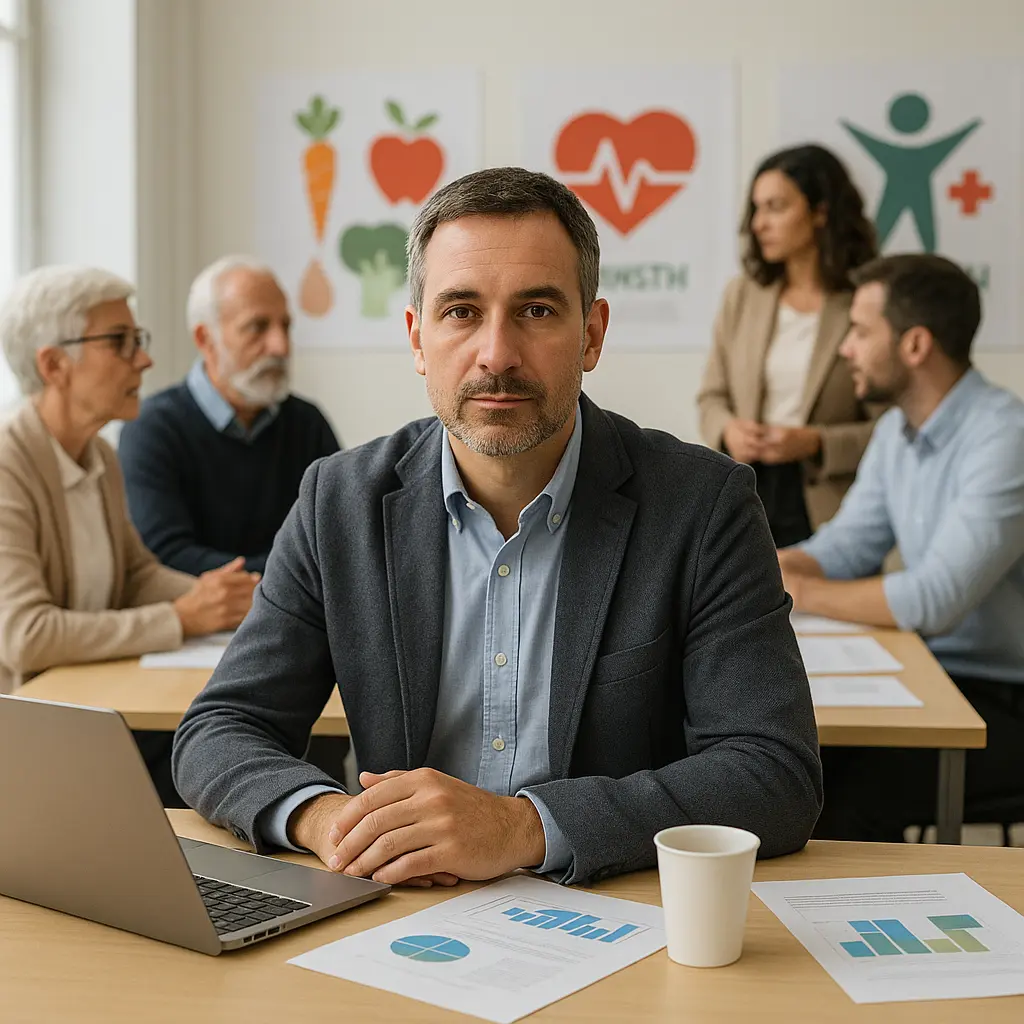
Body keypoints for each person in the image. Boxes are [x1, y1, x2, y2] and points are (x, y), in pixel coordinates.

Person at [173, 167, 822, 888]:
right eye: (461, 311)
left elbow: (773, 772)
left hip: (616, 916)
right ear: (418, 340)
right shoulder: (340, 503)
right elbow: (219, 730)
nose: (497, 354)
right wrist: (334, 822)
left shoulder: (703, 505)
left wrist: (523, 827)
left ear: (592, 335)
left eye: (538, 311)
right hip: (398, 910)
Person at [778, 254, 1024, 841]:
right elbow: (847, 544)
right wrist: (761, 568)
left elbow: (933, 599)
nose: (846, 350)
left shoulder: (1005, 437)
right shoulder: (895, 431)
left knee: (843, 801)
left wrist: (798, 590)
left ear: (915, 345)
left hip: (1001, 700)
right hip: (924, 673)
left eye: (861, 332)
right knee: (782, 768)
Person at [0, 265, 258, 802]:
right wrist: (178, 618)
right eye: (120, 342)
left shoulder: (99, 456)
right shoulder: (7, 463)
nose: (144, 359)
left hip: (81, 716)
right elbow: (26, 635)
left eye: (136, 339)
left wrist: (221, 595)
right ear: (54, 364)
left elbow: (135, 573)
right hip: (23, 739)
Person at [697, 144, 880, 548]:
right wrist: (728, 430)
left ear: (820, 212)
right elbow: (711, 397)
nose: (760, 224)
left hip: (831, 502)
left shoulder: (865, 301)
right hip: (745, 489)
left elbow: (894, 428)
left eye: (776, 207)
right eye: (756, 209)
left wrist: (818, 443)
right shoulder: (742, 295)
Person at [118, 256, 339, 576]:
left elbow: (340, 539)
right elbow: (165, 558)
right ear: (205, 340)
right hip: (202, 623)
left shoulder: (307, 423)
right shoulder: (151, 428)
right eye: (257, 327)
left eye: (285, 326)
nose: (280, 346)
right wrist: (292, 582)